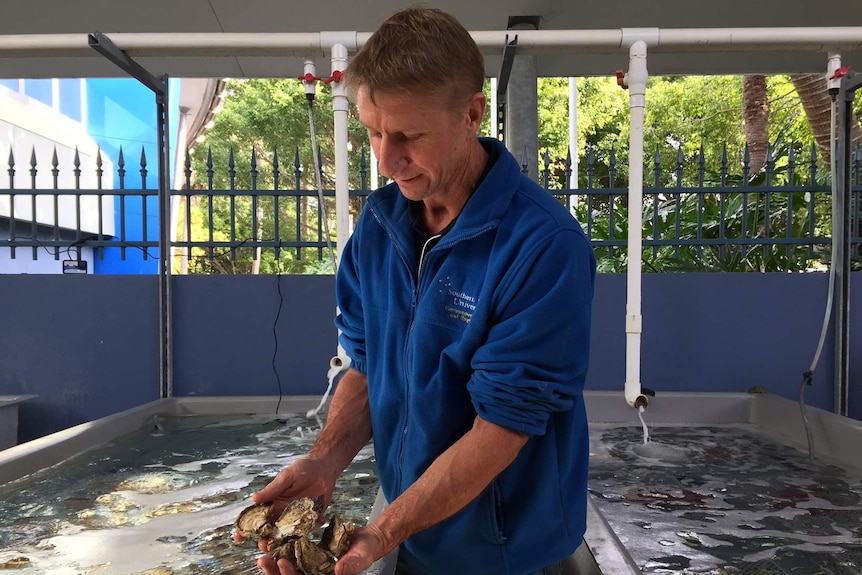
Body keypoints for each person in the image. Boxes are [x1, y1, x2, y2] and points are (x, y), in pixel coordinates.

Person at [237, 7, 596, 575]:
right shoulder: (378, 229)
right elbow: (364, 363)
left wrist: (380, 531)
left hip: (510, 555)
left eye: (408, 135)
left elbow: (503, 428)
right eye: (374, 131)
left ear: (472, 113)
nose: (385, 158)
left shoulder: (544, 246)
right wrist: (324, 462)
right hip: (415, 538)